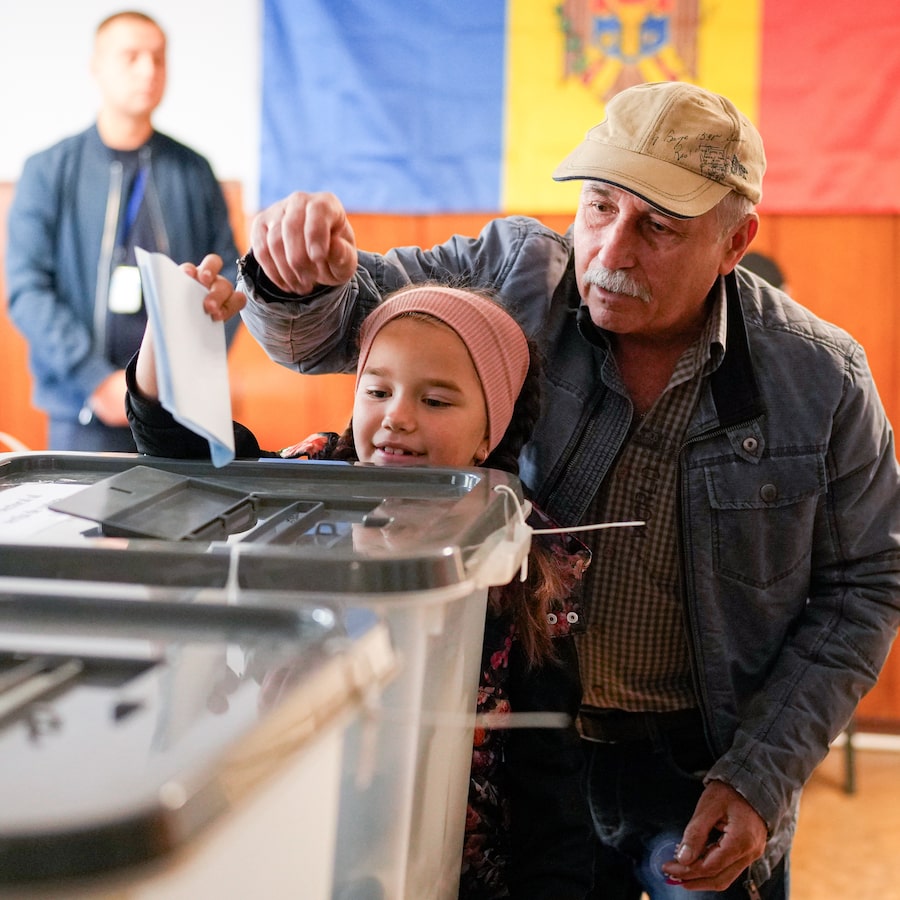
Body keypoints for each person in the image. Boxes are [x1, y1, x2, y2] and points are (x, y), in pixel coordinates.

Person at [217, 80, 900, 898]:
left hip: (706, 762)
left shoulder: (821, 377)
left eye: (659, 227)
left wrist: (762, 774)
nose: (611, 251)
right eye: (600, 206)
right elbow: (331, 324)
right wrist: (297, 271)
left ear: (735, 241)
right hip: (522, 753)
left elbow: (867, 584)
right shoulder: (514, 273)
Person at [127, 275, 595, 899]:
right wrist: (172, 339)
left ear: (491, 431)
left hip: (449, 871)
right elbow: (193, 463)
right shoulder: (314, 483)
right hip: (293, 849)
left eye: (436, 401)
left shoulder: (524, 564)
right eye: (377, 390)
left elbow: (552, 795)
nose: (396, 416)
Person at [5, 10, 239, 452]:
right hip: (83, 411)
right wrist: (95, 380)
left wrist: (185, 373)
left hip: (177, 409)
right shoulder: (49, 170)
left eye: (158, 58)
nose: (148, 70)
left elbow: (230, 276)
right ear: (96, 66)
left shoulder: (194, 171)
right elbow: (27, 290)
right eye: (131, 56)